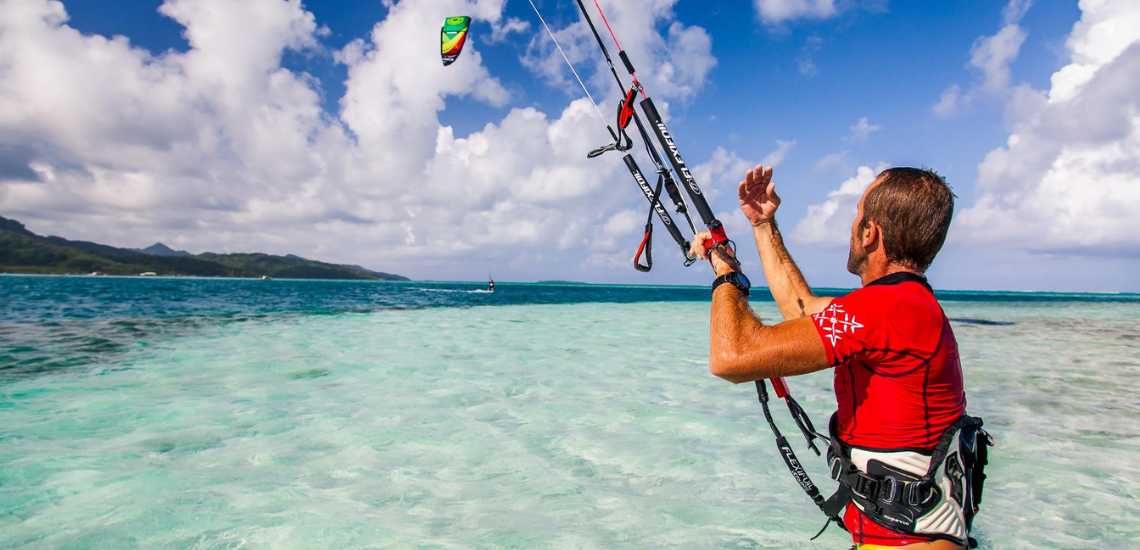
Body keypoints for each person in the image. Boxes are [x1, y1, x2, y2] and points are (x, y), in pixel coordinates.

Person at [691, 166, 986, 550]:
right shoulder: (903, 306)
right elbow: (802, 309)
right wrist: (763, 224)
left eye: (857, 215)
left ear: (870, 233)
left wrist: (726, 275)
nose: (852, 226)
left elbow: (731, 357)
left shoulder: (886, 310)